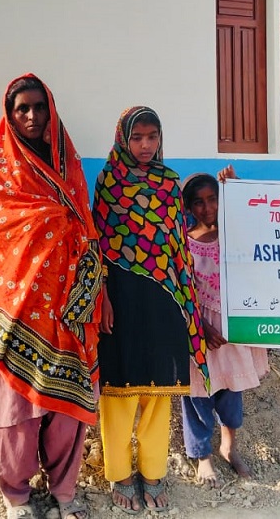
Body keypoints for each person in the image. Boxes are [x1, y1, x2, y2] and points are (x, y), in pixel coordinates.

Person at [0, 74, 109, 519]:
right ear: (10, 114)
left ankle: (64, 491)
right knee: (17, 410)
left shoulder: (68, 165)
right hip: (16, 309)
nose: (33, 116)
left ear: (51, 110)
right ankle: (16, 496)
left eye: (40, 107)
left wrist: (99, 294)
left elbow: (87, 230)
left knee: (68, 408)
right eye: (23, 108)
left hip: (70, 310)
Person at [93, 106, 210, 513]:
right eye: (137, 137)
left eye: (152, 137)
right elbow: (99, 246)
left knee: (160, 389)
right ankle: (121, 474)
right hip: (121, 296)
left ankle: (154, 472)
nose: (145, 145)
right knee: (119, 390)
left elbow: (178, 243)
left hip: (165, 295)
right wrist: (104, 297)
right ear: (123, 139)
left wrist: (186, 300)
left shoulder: (169, 183)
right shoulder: (109, 181)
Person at [180, 166, 270, 485]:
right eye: (199, 202)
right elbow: (183, 290)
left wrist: (236, 185)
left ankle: (229, 447)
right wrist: (202, 325)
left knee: (232, 388)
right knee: (198, 392)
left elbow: (260, 221)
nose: (208, 207)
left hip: (233, 326)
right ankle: (202, 456)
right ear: (189, 208)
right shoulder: (184, 244)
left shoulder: (235, 235)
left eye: (213, 199)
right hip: (199, 328)